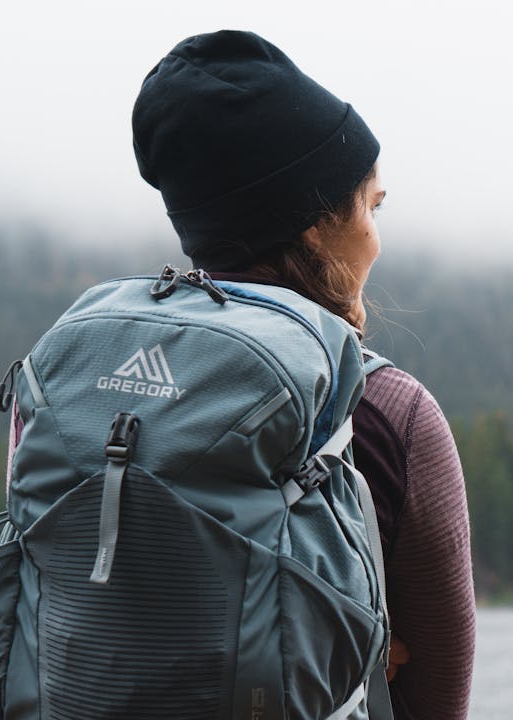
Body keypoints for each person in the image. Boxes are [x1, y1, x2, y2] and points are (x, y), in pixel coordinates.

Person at [131, 30, 476, 719]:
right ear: (316, 225)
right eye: (371, 206)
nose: (378, 235)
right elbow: (436, 697)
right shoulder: (384, 411)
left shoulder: (87, 375)